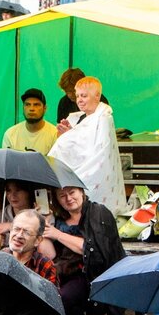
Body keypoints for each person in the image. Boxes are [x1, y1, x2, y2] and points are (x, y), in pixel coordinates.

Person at [40, 184, 125, 315]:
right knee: (42, 293)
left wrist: (59, 235)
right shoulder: (58, 220)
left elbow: (93, 250)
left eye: (72, 192)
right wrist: (42, 226)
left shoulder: (98, 213)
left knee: (65, 297)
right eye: (62, 195)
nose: (68, 198)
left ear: (81, 192)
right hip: (64, 273)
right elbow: (49, 255)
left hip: (95, 275)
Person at [49, 76, 127, 216]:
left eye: (84, 96)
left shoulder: (104, 117)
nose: (79, 100)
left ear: (97, 96)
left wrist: (69, 136)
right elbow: (83, 142)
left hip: (98, 174)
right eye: (77, 96)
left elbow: (94, 149)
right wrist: (69, 133)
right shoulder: (83, 118)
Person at [4, 209, 60, 286]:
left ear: (38, 240)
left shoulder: (45, 265)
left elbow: (51, 293)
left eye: (27, 232)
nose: (19, 235)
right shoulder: (0, 256)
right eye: (16, 229)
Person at [1, 88, 59, 156]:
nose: (31, 109)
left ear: (45, 108)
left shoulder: (55, 135)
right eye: (27, 104)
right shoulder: (10, 134)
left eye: (36, 105)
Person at [0, 180, 39, 247]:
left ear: (29, 192)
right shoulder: (2, 215)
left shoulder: (41, 214)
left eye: (18, 190)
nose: (12, 195)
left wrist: (11, 226)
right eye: (8, 191)